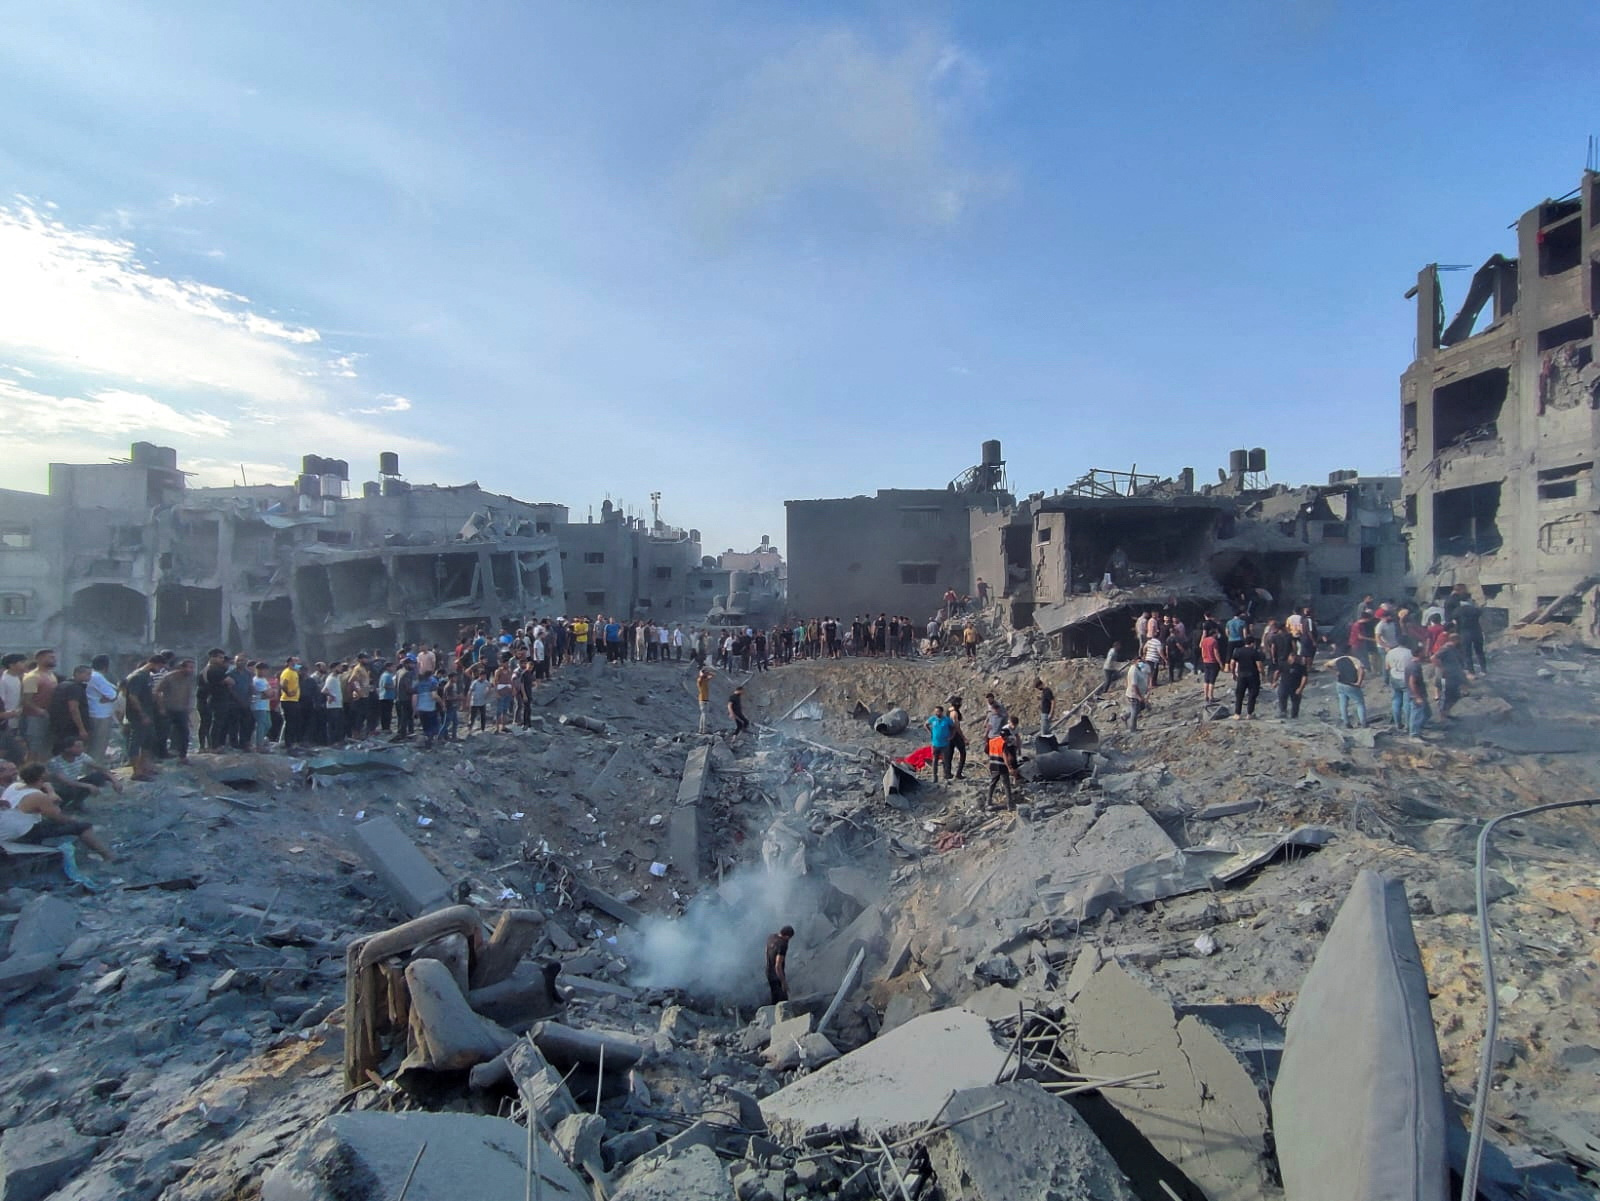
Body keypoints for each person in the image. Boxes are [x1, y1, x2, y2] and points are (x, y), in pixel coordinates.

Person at [0, 761, 116, 861]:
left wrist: (49, 790)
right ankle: (107, 856)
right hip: (20, 833)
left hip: (6, 828)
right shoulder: (38, 796)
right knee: (82, 826)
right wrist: (52, 794)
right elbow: (59, 818)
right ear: (42, 776)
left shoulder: (14, 786)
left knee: (49, 822)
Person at [121, 654, 165, 780]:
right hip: (138, 715)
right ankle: (136, 771)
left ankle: (145, 766)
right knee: (136, 741)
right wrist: (142, 714)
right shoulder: (137, 677)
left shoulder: (147, 676)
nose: (159, 670)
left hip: (149, 712)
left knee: (148, 740)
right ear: (154, 664)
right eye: (160, 667)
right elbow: (133, 697)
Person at [45, 737, 122, 805]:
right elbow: (66, 782)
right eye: (78, 747)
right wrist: (89, 786)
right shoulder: (54, 762)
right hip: (59, 789)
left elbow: (100, 768)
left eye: (82, 746)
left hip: (73, 784)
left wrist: (115, 781)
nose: (82, 749)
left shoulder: (81, 756)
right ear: (67, 749)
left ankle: (77, 803)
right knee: (70, 790)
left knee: (98, 776)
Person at [84, 655, 119, 763]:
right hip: (100, 715)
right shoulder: (97, 677)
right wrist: (111, 697)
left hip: (95, 712)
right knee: (98, 745)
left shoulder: (92, 675)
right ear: (106, 666)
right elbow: (112, 695)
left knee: (93, 745)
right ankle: (94, 769)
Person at [1323, 649, 1367, 729]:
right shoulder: (1354, 659)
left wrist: (1335, 672)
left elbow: (1326, 665)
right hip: (1351, 684)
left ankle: (1346, 722)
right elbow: (1361, 670)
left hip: (1340, 684)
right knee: (1360, 703)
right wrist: (1359, 682)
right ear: (1349, 651)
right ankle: (1363, 723)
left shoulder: (1337, 659)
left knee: (1343, 704)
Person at [985, 721, 1023, 809]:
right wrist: (1009, 768)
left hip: (993, 765)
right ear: (1005, 736)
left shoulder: (992, 741)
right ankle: (1010, 804)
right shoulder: (1003, 743)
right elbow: (1005, 756)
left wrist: (992, 758)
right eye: (1007, 736)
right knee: (1006, 785)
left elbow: (986, 751)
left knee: (992, 783)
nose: (1007, 738)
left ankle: (988, 801)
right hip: (1001, 766)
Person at [1230, 636, 1265, 720]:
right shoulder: (1254, 652)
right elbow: (1259, 665)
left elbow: (1232, 663)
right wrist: (1263, 675)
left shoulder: (1237, 651)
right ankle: (1249, 714)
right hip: (1253, 676)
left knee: (1239, 695)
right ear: (1252, 643)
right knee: (1252, 694)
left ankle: (1237, 714)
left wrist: (1233, 673)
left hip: (1241, 675)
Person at [1385, 641, 1416, 732]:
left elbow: (1387, 667)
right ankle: (1408, 725)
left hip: (1394, 677)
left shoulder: (1390, 652)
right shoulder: (1409, 653)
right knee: (1407, 702)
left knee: (1396, 701)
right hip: (1406, 678)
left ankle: (1398, 723)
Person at [765, 926, 794, 1004]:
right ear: (787, 936)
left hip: (768, 971)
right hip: (777, 975)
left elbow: (766, 951)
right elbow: (778, 966)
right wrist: (783, 982)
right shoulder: (782, 944)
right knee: (783, 1001)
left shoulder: (771, 937)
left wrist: (769, 963)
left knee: (774, 997)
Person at [926, 705, 954, 782]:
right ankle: (935, 777)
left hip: (945, 744)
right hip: (935, 744)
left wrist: (951, 736)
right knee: (935, 761)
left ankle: (946, 775)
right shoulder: (933, 719)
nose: (936, 713)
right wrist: (930, 732)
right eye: (935, 712)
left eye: (938, 712)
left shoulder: (947, 720)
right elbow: (926, 724)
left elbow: (953, 727)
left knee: (945, 760)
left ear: (942, 712)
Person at [1276, 650, 1308, 719]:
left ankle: (1294, 717)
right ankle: (1283, 714)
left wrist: (1301, 688)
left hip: (1295, 687)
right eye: (1292, 656)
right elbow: (1277, 672)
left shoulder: (1301, 667)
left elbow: (1304, 677)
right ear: (1288, 657)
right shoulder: (1283, 664)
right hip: (1284, 686)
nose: (1294, 658)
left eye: (1295, 656)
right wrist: (1274, 682)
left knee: (1295, 704)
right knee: (1282, 699)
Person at [1124, 658, 1151, 732]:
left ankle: (1125, 716)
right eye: (1139, 661)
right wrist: (1139, 697)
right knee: (1135, 712)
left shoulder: (1139, 669)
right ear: (1134, 661)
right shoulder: (1134, 671)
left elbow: (1146, 676)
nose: (1140, 663)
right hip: (1134, 694)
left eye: (1141, 661)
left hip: (1139, 693)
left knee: (1140, 707)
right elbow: (1134, 686)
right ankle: (1133, 729)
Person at [1199, 625, 1222, 704]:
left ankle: (1205, 696)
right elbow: (1216, 653)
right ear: (1214, 634)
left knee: (1206, 679)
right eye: (1216, 633)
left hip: (1205, 661)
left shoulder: (1204, 640)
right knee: (1212, 680)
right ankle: (1211, 696)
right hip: (1213, 662)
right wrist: (1220, 663)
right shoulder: (1214, 641)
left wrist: (1203, 658)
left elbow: (1202, 650)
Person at [946, 695, 968, 779]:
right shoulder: (955, 712)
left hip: (948, 735)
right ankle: (959, 773)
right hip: (955, 735)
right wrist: (964, 738)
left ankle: (947, 773)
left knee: (949, 754)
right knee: (963, 753)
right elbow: (956, 726)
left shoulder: (949, 710)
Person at [696, 667, 714, 735]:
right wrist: (702, 673)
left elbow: (713, 675)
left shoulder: (705, 680)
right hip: (702, 699)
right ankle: (704, 730)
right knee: (704, 714)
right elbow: (700, 677)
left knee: (703, 714)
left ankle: (701, 729)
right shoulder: (700, 680)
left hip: (705, 699)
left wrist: (708, 672)